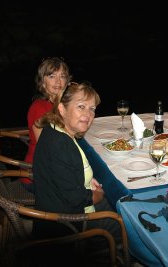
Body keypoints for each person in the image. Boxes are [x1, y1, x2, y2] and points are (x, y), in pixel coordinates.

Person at [31, 82, 121, 249]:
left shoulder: (54, 129)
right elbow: (76, 199)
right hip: (67, 224)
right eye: (81, 106)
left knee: (115, 200)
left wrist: (87, 179)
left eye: (92, 109)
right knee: (127, 224)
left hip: (56, 205)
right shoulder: (61, 145)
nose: (88, 114)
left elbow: (66, 172)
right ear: (62, 109)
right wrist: (98, 195)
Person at [22, 57, 71, 192]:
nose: (58, 81)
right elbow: (46, 149)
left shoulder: (64, 105)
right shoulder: (39, 108)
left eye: (62, 76)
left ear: (67, 81)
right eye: (51, 76)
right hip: (37, 175)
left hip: (57, 168)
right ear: (43, 82)